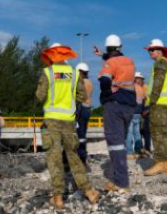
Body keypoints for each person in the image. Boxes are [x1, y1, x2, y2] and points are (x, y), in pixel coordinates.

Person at [36, 43, 100, 209]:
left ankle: (58, 198)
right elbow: (81, 96)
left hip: (51, 121)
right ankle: (89, 192)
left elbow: (39, 96)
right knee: (74, 156)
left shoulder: (47, 73)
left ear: (52, 55)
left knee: (54, 159)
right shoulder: (73, 73)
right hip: (69, 122)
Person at [94, 34, 136, 192]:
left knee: (115, 144)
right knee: (121, 142)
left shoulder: (110, 62)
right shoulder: (130, 61)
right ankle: (119, 176)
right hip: (129, 106)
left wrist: (105, 96)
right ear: (120, 47)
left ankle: (121, 182)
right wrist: (102, 56)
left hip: (115, 105)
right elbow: (118, 61)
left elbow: (105, 80)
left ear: (108, 48)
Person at [142, 39, 167, 176]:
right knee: (163, 133)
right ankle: (166, 163)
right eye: (149, 50)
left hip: (160, 104)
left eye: (152, 50)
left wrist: (151, 104)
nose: (149, 52)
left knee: (157, 134)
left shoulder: (160, 62)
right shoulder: (164, 63)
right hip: (164, 103)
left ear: (159, 51)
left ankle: (161, 162)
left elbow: (158, 84)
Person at [125, 72, 146, 159]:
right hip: (138, 113)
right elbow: (144, 100)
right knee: (137, 133)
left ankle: (129, 153)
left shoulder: (131, 88)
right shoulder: (141, 89)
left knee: (129, 133)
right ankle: (138, 151)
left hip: (130, 113)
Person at [75, 62, 92, 164]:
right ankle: (82, 155)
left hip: (81, 109)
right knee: (83, 134)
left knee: (80, 134)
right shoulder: (89, 82)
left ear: (81, 72)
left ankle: (81, 157)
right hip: (88, 109)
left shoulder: (81, 82)